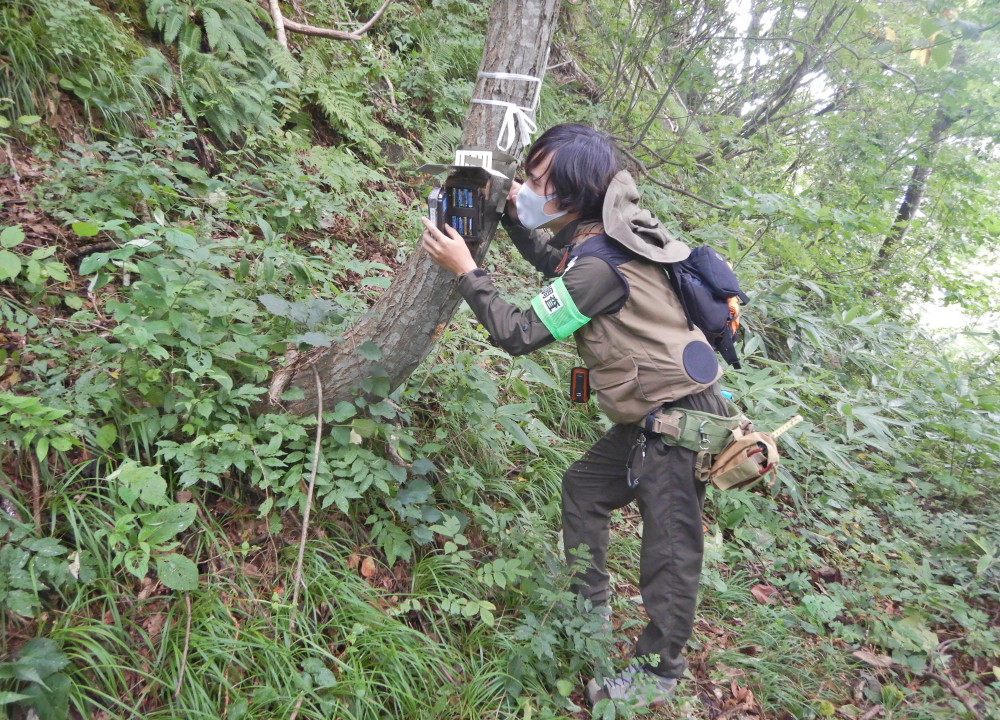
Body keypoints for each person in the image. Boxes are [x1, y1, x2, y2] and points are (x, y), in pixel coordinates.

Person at [419, 123, 731, 707]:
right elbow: (559, 268)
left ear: (574, 191)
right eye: (531, 176)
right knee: (584, 488)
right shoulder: (599, 239)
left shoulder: (599, 261)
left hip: (678, 422)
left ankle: (656, 675)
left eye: (539, 181)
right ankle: (588, 609)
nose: (528, 187)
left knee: (669, 550)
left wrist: (466, 271)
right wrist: (514, 216)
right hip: (651, 417)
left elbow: (518, 333)